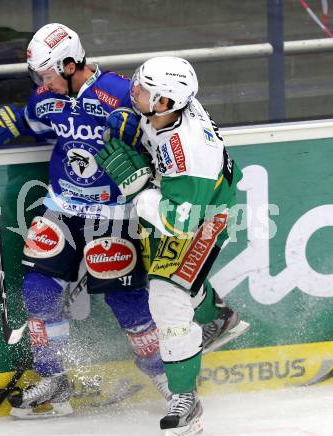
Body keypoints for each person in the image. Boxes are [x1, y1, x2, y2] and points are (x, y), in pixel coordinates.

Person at [0, 23, 170, 419]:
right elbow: (32, 119)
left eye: (45, 74)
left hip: (114, 213)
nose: (41, 84)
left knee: (126, 302)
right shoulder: (50, 97)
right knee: (38, 288)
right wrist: (7, 120)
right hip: (62, 206)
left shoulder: (119, 92)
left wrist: (143, 131)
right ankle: (56, 377)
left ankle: (168, 380)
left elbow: (164, 128)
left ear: (68, 64)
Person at [96, 56, 249, 435]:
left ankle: (186, 402)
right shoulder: (170, 110)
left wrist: (138, 186)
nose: (134, 92)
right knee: (178, 285)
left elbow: (180, 222)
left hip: (204, 216)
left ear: (165, 102)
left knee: (167, 297)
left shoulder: (188, 154)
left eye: (144, 91)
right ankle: (217, 317)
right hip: (187, 200)